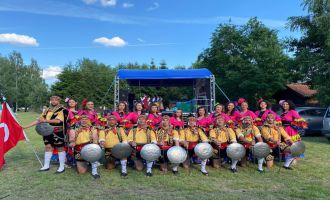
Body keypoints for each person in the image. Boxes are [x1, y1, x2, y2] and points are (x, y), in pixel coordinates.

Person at [23, 96, 66, 173]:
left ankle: (61, 166)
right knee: (48, 147)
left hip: (57, 132)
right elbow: (39, 120)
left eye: (55, 100)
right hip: (46, 132)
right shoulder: (46, 110)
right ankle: (46, 166)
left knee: (60, 148)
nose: (53, 101)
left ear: (59, 101)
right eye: (52, 100)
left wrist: (45, 120)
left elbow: (58, 121)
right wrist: (25, 127)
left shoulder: (62, 110)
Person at [280, 100, 306, 168]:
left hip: (291, 131)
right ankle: (287, 161)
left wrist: (292, 123)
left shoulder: (293, 112)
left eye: (286, 104)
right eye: (284, 104)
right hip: (283, 130)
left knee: (294, 145)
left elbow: (300, 121)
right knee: (286, 146)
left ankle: (294, 159)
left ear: (290, 105)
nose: (285, 105)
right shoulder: (282, 113)